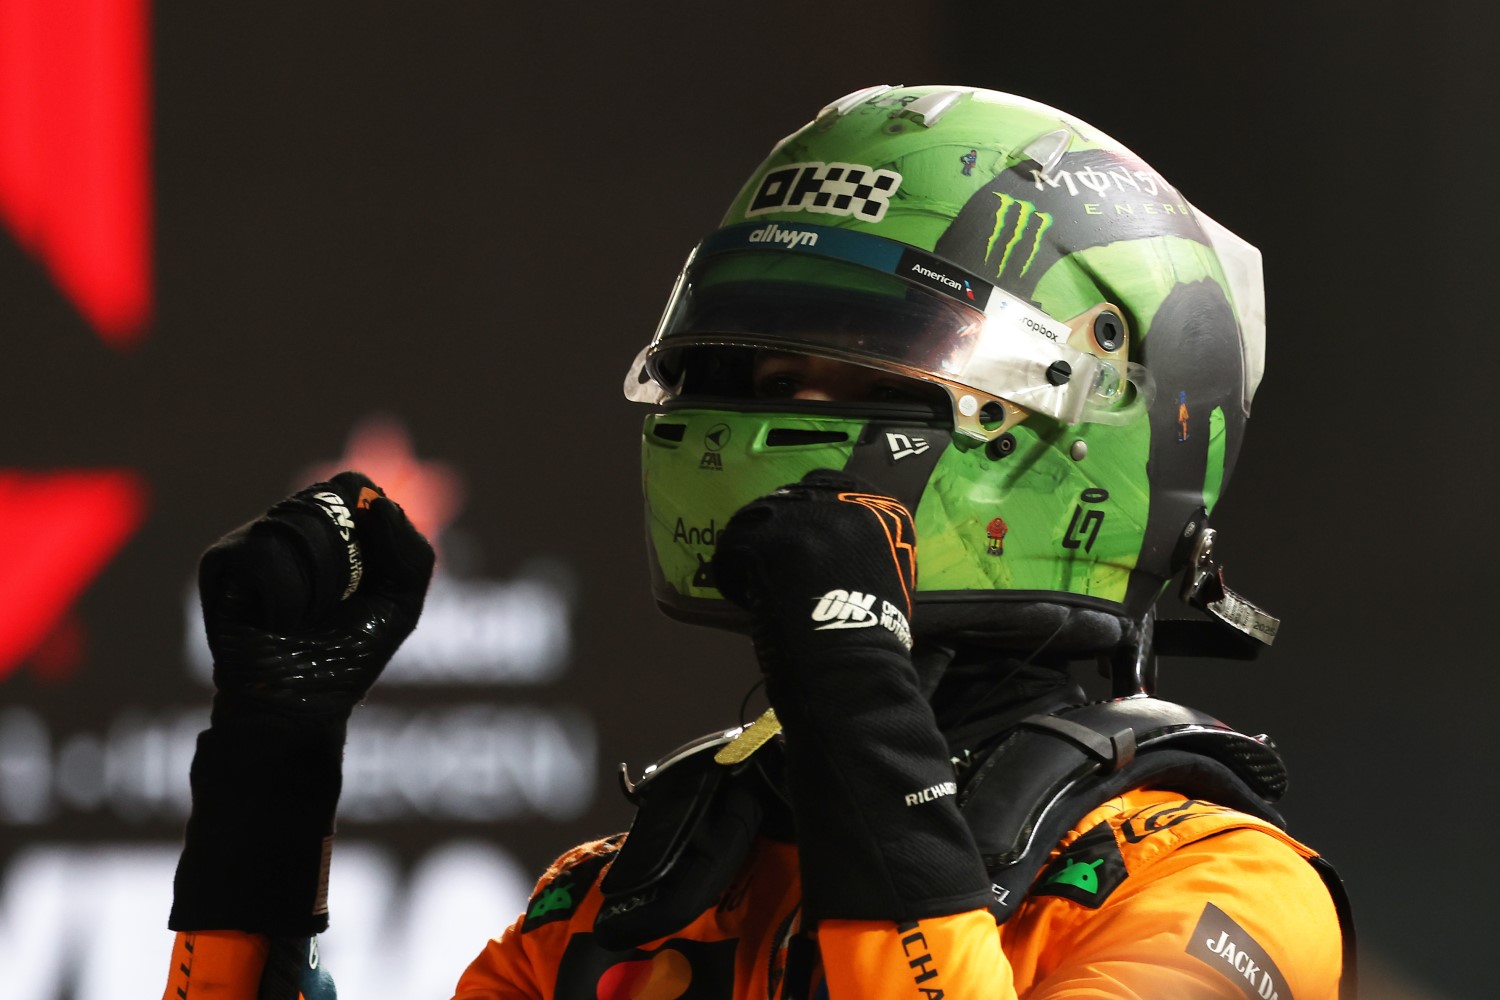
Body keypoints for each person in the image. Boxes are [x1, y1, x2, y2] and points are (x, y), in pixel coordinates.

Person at [161, 85, 1355, 999]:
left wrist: (857, 709)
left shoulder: (1220, 888)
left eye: (853, 376)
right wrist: (272, 775)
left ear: (1077, 417)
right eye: (751, 370)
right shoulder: (621, 902)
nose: (769, 426)